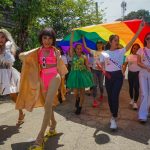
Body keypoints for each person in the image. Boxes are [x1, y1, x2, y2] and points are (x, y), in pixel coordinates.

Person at [16, 28, 68, 149]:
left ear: (53, 40)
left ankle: (39, 139)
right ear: (41, 39)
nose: (47, 41)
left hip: (54, 77)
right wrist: (33, 51)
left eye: (50, 38)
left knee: (48, 105)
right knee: (47, 105)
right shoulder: (37, 51)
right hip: (42, 79)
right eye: (45, 38)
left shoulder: (56, 51)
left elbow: (62, 68)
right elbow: (21, 57)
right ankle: (53, 124)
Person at [99, 21, 144, 130]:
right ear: (110, 42)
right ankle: (113, 115)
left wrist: (139, 30)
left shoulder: (121, 51)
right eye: (115, 40)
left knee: (114, 96)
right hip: (108, 77)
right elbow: (101, 65)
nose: (117, 42)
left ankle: (114, 117)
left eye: (118, 40)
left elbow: (132, 41)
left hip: (118, 76)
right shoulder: (104, 53)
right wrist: (103, 69)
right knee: (110, 97)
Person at [0, 29, 24, 126]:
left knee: (13, 96)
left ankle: (21, 112)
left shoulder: (8, 48)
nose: (0, 39)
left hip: (8, 74)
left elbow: (10, 61)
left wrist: (6, 49)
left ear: (6, 38)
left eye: (2, 37)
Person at [67, 31, 94, 115]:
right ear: (75, 49)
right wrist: (72, 34)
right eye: (77, 48)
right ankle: (77, 99)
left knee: (82, 92)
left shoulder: (84, 57)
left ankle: (80, 107)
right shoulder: (73, 55)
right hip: (74, 75)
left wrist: (90, 75)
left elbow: (87, 66)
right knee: (75, 92)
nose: (79, 50)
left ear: (81, 49)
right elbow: (71, 44)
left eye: (80, 48)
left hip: (82, 75)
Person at [82, 37, 105, 107]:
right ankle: (94, 100)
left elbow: (108, 62)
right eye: (98, 43)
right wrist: (83, 39)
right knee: (94, 85)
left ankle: (101, 94)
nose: (99, 45)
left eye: (100, 43)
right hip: (94, 71)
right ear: (96, 45)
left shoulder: (105, 53)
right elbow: (85, 47)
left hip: (101, 72)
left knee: (101, 85)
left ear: (102, 45)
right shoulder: (94, 52)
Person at [137, 32, 150, 123]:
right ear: (145, 40)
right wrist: (146, 67)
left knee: (148, 95)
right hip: (143, 73)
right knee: (144, 93)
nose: (149, 40)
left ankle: (145, 111)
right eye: (148, 38)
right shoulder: (141, 50)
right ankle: (142, 115)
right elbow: (138, 62)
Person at [123, 43, 141, 110]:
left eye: (137, 49)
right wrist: (123, 72)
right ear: (132, 49)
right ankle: (132, 99)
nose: (135, 50)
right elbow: (125, 65)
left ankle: (135, 102)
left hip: (138, 74)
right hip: (130, 74)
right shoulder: (128, 56)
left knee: (136, 88)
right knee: (130, 87)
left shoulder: (140, 56)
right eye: (134, 48)